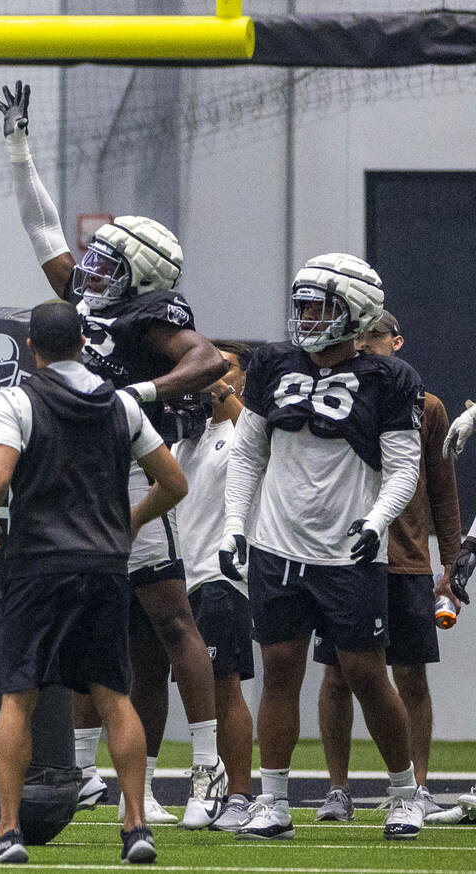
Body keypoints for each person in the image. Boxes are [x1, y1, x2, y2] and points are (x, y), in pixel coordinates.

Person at [0, 79, 229, 827]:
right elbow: (41, 226)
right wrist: (19, 147)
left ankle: (209, 770)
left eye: (110, 263)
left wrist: (140, 399)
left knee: (171, 620)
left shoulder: (146, 316)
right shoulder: (92, 299)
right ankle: (134, 783)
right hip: (83, 470)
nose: (92, 269)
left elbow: (210, 360)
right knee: (117, 635)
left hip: (128, 462)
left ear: (144, 276)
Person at [0, 299, 184, 865]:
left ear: (32, 348)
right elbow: (173, 482)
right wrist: (131, 521)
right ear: (84, 343)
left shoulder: (16, 398)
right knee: (115, 696)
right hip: (106, 568)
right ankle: (136, 826)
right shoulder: (120, 404)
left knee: (18, 696)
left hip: (38, 566)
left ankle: (9, 831)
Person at [221, 253, 426, 841]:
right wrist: (237, 525)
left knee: (365, 672)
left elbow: (403, 468)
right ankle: (274, 801)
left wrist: (375, 522)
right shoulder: (272, 363)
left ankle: (404, 793)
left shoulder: (392, 378)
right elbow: (247, 452)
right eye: (303, 304)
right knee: (279, 669)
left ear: (356, 311)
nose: (306, 316)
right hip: (277, 546)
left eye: (320, 305)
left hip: (348, 550)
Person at [313, 311, 461, 823]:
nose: (364, 344)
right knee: (336, 674)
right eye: (356, 336)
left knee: (410, 676)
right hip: (343, 558)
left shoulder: (429, 406)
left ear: (396, 340)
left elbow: (443, 490)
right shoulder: (334, 395)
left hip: (407, 562)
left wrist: (453, 566)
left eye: (374, 335)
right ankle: (338, 790)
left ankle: (417, 787)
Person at [170, 341, 257, 832]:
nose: (211, 372)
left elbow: (245, 425)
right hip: (181, 574)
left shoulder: (249, 428)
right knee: (196, 691)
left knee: (226, 685)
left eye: (226, 366)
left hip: (223, 575)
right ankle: (214, 784)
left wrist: (211, 376)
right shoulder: (189, 435)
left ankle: (241, 794)